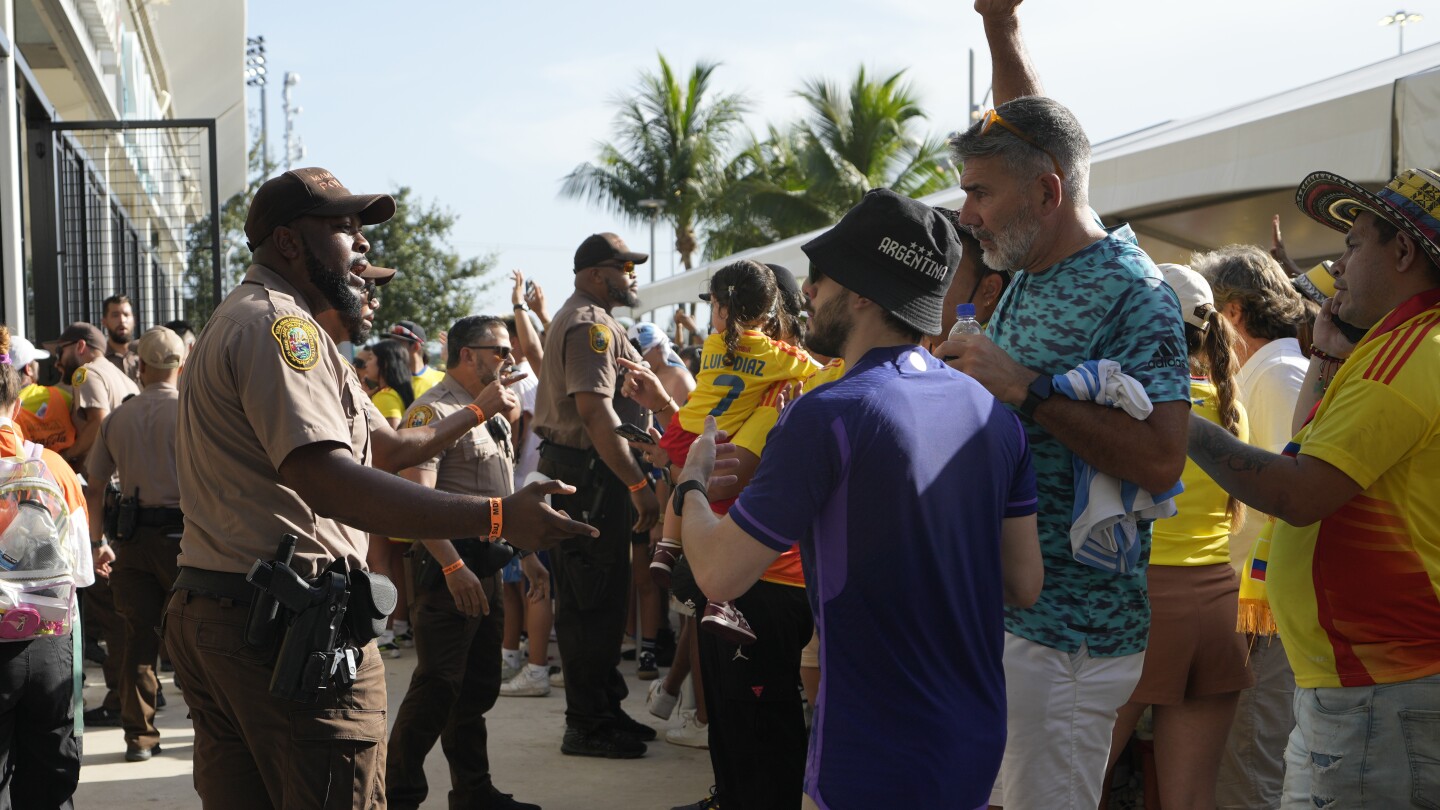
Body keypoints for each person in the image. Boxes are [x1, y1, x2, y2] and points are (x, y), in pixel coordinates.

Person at [165, 166, 595, 809]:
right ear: (287, 243)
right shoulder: (280, 329)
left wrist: (477, 410)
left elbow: (389, 448)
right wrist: (498, 518)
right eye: (342, 227)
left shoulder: (266, 324)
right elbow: (326, 480)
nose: (363, 245)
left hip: (239, 613)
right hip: (282, 626)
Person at [674, 188, 1042, 809]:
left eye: (822, 276)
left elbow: (718, 574)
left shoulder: (830, 412)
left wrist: (691, 482)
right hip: (972, 740)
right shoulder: (994, 414)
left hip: (871, 749)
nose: (809, 292)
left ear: (865, 290)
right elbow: (1023, 581)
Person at [946, 3, 1190, 806]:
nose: (965, 213)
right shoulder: (1028, 262)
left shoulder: (1134, 292)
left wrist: (1023, 387)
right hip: (1006, 624)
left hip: (1068, 644)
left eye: (978, 192)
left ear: (1047, 193)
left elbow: (1160, 459)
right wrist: (999, 28)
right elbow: (1032, 128)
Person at [1186, 167, 1440, 809]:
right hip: (1375, 687)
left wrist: (1169, 416)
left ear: (1404, 252)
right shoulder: (1405, 346)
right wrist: (1327, 357)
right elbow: (1307, 450)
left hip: (1380, 691)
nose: (1339, 264)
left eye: (1354, 244)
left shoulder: (1410, 354)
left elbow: (1297, 493)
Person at [1101, 264, 1255, 809]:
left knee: (1073, 785)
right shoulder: (1231, 405)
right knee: (1190, 799)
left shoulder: (1126, 404)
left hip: (1140, 604)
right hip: (1217, 608)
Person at [386, 315, 541, 810]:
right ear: (466, 354)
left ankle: (473, 792)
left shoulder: (490, 409)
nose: (508, 359)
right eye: (498, 350)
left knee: (475, 687)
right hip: (448, 567)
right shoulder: (432, 412)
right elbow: (416, 500)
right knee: (437, 686)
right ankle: (395, 794)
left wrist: (528, 554)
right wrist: (453, 567)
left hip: (489, 562)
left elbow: (503, 493)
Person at [531, 231, 660, 759]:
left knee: (603, 602)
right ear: (593, 274)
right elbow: (594, 412)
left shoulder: (595, 319)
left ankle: (604, 709)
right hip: (587, 473)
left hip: (589, 470)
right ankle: (586, 724)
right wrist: (636, 484)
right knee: (590, 602)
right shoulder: (588, 324)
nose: (631, 274)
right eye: (622, 266)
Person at [1190, 244, 1310, 809]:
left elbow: (1294, 504)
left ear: (1233, 313)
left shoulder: (1279, 376)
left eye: (1207, 314)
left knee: (1250, 775)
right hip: (1249, 614)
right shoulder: (1268, 375)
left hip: (1263, 620)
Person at [652, 260, 819, 644]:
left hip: (687, 430)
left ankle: (665, 548)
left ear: (721, 310)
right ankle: (718, 599)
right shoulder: (777, 364)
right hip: (757, 558)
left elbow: (693, 480)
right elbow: (813, 368)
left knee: (689, 487)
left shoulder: (712, 344)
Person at [0, 325, 94, 810]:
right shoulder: (53, 467)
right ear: (17, 403)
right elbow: (81, 571)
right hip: (45, 643)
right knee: (47, 783)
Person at [84, 326, 187, 762]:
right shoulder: (195, 412)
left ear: (140, 366)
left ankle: (140, 738)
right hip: (189, 542)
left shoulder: (117, 419)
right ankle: (213, 728)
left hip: (133, 541)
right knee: (198, 640)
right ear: (180, 367)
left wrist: (95, 542)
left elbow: (93, 486)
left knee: (135, 642)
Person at [46, 321, 139, 465]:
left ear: (80, 346)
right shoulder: (126, 380)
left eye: (60, 351)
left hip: (105, 482)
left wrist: (66, 457)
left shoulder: (87, 373)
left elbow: (99, 422)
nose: (58, 362)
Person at [12, 335, 75, 454]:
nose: (38, 365)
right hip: (64, 469)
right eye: (35, 361)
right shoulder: (62, 397)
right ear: (28, 369)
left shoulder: (5, 408)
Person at [367, 338, 418, 429]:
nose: (366, 364)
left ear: (385, 363)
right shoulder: (394, 392)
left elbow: (391, 437)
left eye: (370, 358)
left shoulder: (385, 396)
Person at [387, 319, 446, 396]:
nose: (390, 349)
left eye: (396, 344)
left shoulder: (443, 381)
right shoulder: (386, 383)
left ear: (415, 346)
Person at [102, 294, 141, 384]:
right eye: (115, 315)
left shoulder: (145, 355)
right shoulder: (100, 359)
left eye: (126, 315)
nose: (122, 320)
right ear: (104, 322)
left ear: (134, 320)